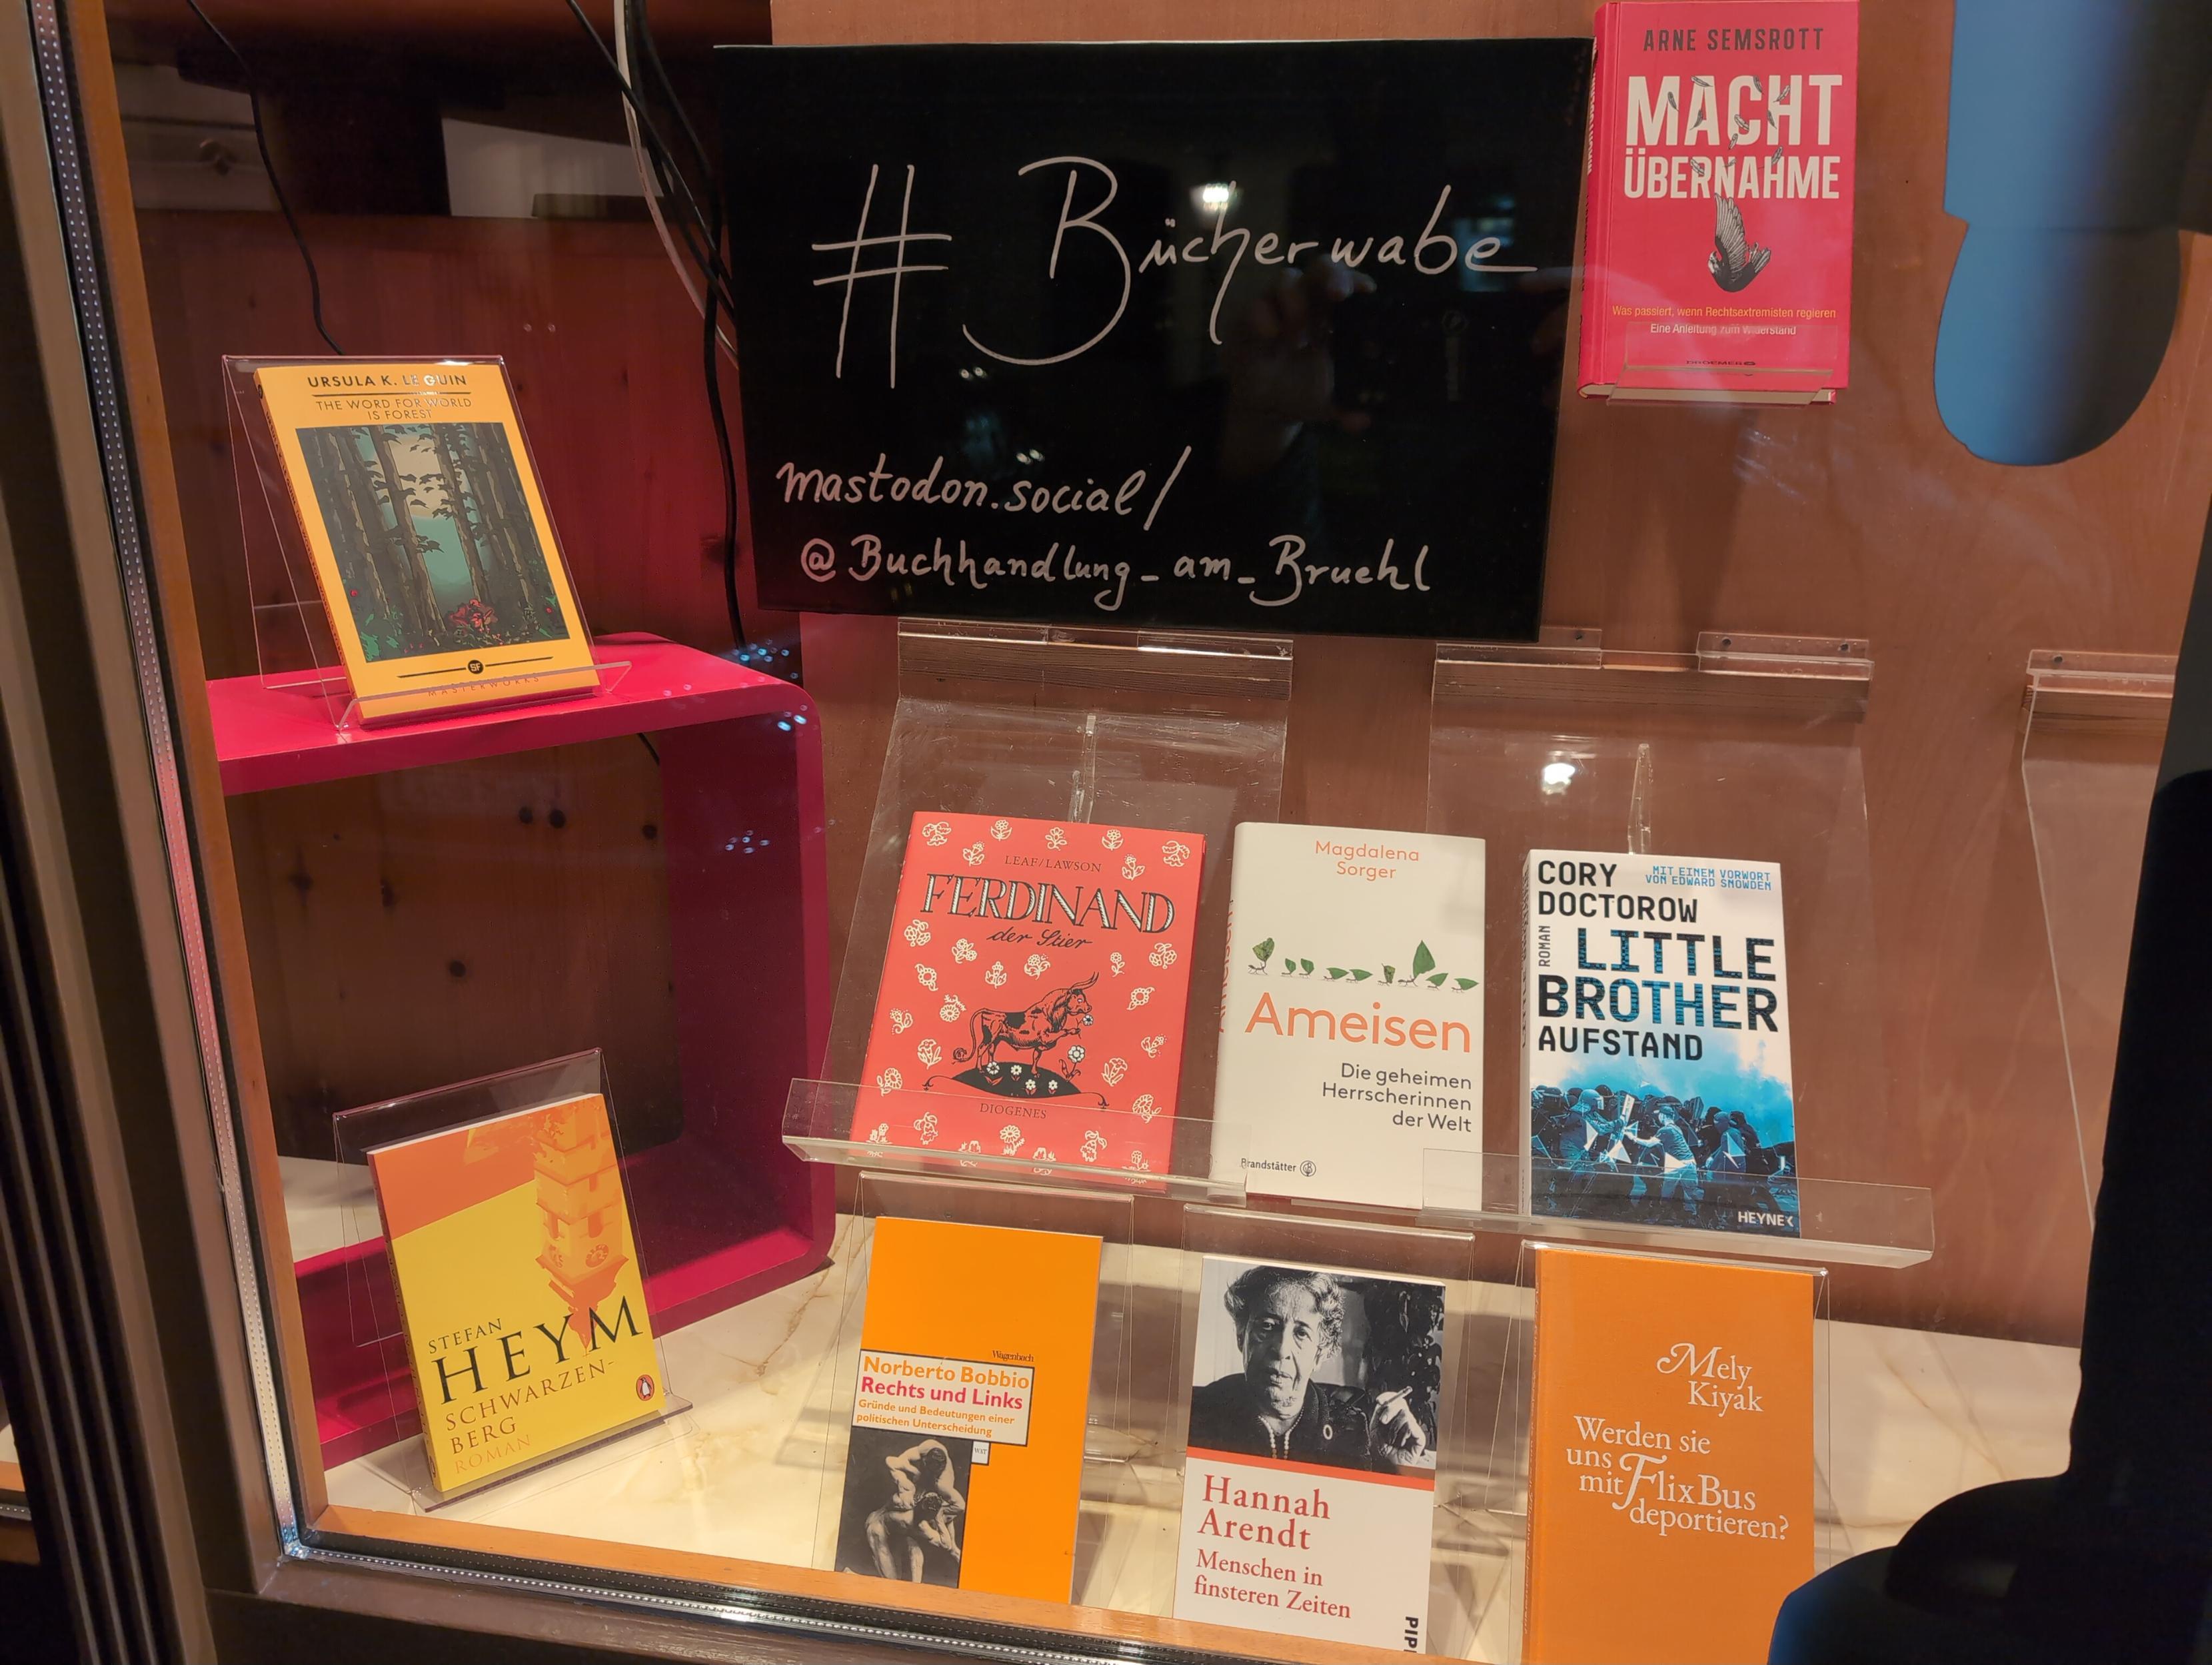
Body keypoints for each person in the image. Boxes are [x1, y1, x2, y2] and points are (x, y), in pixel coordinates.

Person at [1186, 1265, 1429, 1472]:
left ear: (1320, 1353)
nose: (1282, 1350)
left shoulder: (1352, 1430)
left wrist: (1388, 1467)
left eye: (1301, 1333)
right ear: (1242, 1336)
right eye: (1268, 1326)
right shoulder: (1195, 1413)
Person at [863, 1438, 965, 1582]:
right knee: (892, 1582)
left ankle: (913, 1587)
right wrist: (939, 1519)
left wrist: (940, 1516)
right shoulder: (923, 1524)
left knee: (914, 1547)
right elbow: (946, 1544)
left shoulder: (915, 1491)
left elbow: (891, 1461)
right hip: (877, 1526)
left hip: (881, 1521)